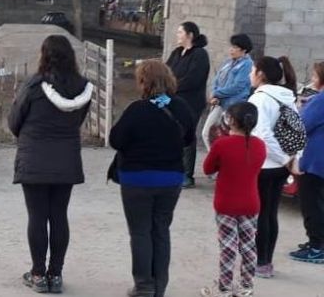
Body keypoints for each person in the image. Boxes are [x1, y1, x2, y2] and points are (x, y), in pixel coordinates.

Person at [8, 35, 93, 294]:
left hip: (34, 157)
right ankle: (55, 274)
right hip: (66, 158)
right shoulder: (83, 87)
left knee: (37, 216)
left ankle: (37, 274)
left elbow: (14, 120)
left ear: (44, 55)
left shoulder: (34, 86)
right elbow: (78, 119)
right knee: (59, 216)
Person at [109, 60, 197, 297]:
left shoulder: (137, 110)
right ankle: (160, 286)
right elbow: (188, 139)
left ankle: (144, 285)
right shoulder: (181, 107)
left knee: (140, 232)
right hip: (170, 179)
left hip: (136, 179)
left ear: (143, 82)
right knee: (161, 230)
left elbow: (116, 140)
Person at [200, 102, 266, 297]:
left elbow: (207, 169)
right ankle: (246, 286)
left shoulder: (222, 144)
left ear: (231, 120)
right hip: (251, 202)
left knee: (228, 248)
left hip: (226, 203)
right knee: (248, 246)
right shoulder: (260, 145)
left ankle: (225, 288)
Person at [247, 55, 297, 278]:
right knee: (270, 213)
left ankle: (260, 262)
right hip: (281, 166)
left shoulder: (259, 99)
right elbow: (298, 131)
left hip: (265, 164)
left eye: (252, 70)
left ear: (261, 74)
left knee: (260, 214)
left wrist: (283, 158)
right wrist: (291, 159)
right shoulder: (287, 97)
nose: (250, 74)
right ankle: (266, 262)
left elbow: (262, 135)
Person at [166, 21, 211, 188]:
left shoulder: (200, 54)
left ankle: (187, 174)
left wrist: (173, 87)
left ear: (190, 35)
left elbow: (194, 79)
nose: (177, 35)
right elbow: (166, 71)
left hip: (190, 102)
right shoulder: (177, 52)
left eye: (180, 32)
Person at [290, 61, 324, 264]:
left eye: (315, 76)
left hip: (315, 160)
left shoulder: (320, 100)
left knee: (312, 204)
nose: (312, 79)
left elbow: (302, 125)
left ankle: (316, 246)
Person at [201, 34, 254, 151]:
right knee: (207, 132)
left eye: (235, 47)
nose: (231, 50)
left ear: (244, 50)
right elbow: (217, 79)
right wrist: (214, 92)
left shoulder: (247, 64)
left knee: (228, 135)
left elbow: (237, 86)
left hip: (233, 105)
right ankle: (216, 158)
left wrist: (217, 93)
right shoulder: (228, 62)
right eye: (231, 46)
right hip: (219, 103)